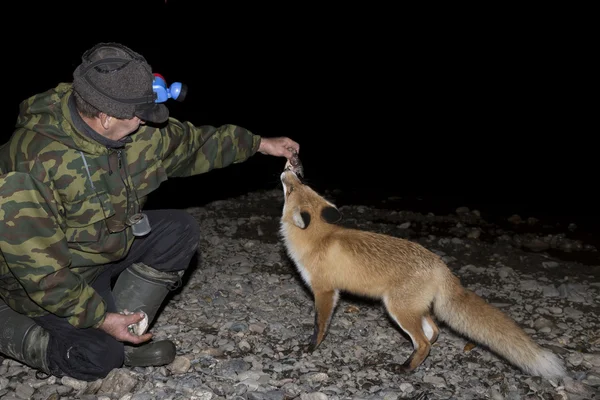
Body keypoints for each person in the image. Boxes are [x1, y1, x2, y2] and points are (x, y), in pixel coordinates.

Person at [0, 42, 299, 381]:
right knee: (95, 359)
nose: (148, 122)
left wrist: (261, 144)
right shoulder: (30, 165)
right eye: (141, 114)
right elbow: (43, 274)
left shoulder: (133, 130)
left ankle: (128, 329)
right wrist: (99, 318)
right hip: (40, 281)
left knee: (179, 229)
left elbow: (194, 144)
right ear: (106, 116)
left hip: (102, 251)